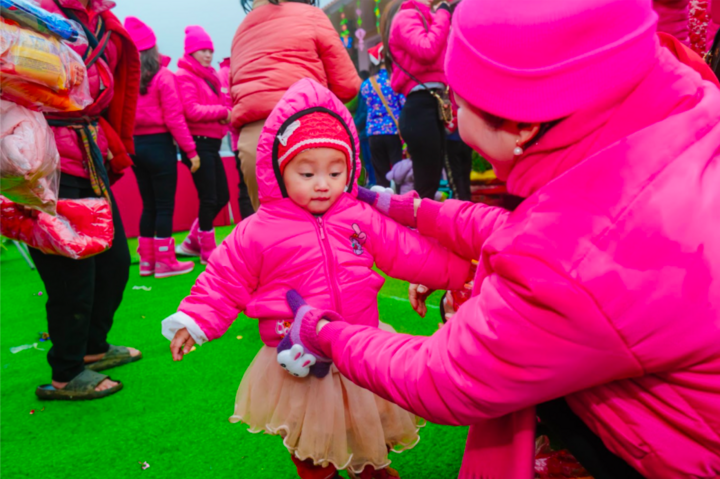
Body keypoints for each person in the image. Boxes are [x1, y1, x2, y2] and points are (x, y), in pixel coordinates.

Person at [274, 0, 720, 477]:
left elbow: (442, 375)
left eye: (457, 104)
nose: (452, 121)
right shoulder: (673, 106)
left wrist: (326, 333)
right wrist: (411, 209)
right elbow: (531, 230)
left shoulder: (574, 261)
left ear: (521, 127)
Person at [161, 79, 471, 479]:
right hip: (298, 355)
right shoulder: (259, 229)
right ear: (280, 171)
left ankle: (371, 470)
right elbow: (223, 279)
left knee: (365, 422)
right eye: (307, 172)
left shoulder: (359, 217)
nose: (323, 183)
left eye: (335, 171)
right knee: (310, 438)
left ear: (351, 168)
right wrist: (195, 320)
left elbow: (409, 251)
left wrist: (464, 273)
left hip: (360, 344)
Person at [31, 0, 142, 400]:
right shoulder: (34, 11)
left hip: (88, 149)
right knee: (70, 274)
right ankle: (66, 372)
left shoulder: (100, 18)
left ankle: (93, 348)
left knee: (113, 264)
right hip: (45, 160)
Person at [230, 0, 361, 212]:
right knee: (325, 229)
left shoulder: (241, 30)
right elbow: (348, 85)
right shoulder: (311, 15)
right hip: (305, 132)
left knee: (270, 227)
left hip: (253, 143)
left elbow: (235, 92)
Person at [123, 17, 197, 279]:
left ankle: (147, 263)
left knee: (149, 206)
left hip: (134, 147)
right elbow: (175, 118)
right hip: (159, 146)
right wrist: (191, 151)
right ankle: (166, 263)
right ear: (153, 48)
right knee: (164, 206)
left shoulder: (127, 79)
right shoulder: (164, 77)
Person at [175, 26, 231, 264]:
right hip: (198, 144)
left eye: (210, 50)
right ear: (191, 52)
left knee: (222, 196)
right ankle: (207, 250)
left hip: (212, 143)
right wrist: (223, 112)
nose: (208, 55)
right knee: (210, 198)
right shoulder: (185, 76)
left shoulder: (209, 76)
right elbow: (191, 110)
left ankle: (191, 242)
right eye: (203, 50)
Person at [383, 0, 451, 199]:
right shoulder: (406, 17)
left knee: (431, 181)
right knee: (426, 184)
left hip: (430, 103)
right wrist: (442, 15)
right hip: (420, 108)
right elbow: (427, 49)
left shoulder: (424, 16)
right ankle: (416, 226)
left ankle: (420, 225)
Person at [361, 43, 405, 189]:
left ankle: (384, 204)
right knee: (398, 173)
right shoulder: (394, 80)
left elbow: (367, 104)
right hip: (393, 132)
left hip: (373, 133)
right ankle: (399, 201)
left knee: (380, 174)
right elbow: (403, 104)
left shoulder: (367, 84)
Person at [219, 56, 255, 220]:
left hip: (255, 137)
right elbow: (227, 111)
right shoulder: (225, 74)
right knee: (247, 185)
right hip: (241, 139)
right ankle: (250, 227)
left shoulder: (247, 69)